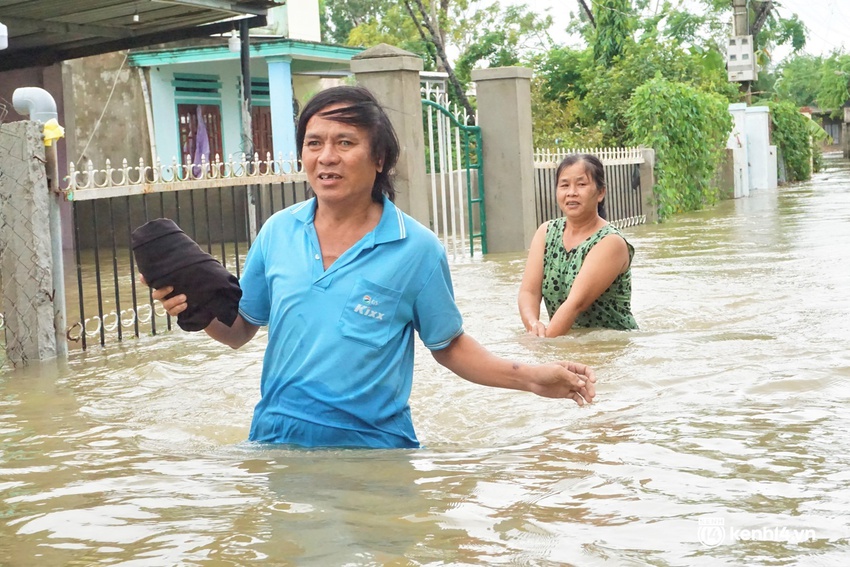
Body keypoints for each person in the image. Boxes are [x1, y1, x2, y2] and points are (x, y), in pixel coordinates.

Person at [149, 85, 596, 449]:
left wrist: (533, 379)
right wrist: (195, 307)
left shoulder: (416, 249)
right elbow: (239, 330)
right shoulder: (277, 232)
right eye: (314, 143)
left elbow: (450, 346)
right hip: (275, 445)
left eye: (345, 143)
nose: (327, 156)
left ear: (379, 158)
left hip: (375, 457)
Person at [518, 153, 638, 338]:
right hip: (564, 338)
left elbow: (575, 304)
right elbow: (529, 292)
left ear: (600, 193)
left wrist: (543, 346)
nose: (571, 192)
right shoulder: (546, 232)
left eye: (581, 184)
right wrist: (533, 326)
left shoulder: (611, 242)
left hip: (609, 346)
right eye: (564, 185)